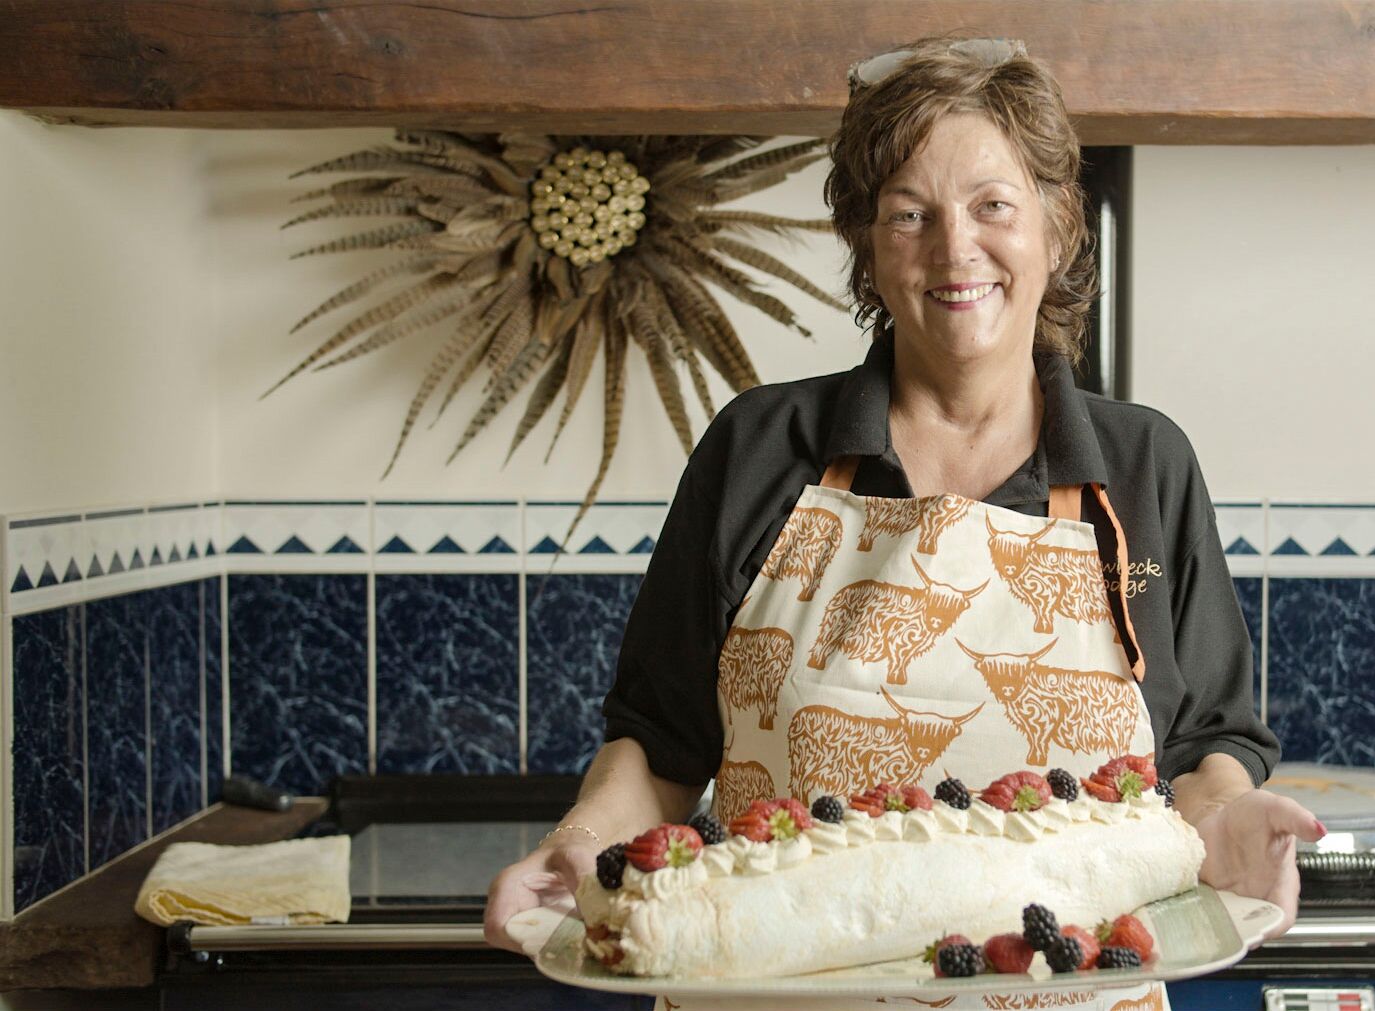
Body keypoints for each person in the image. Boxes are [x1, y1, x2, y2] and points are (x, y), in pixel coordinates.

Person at [484, 36, 1323, 1005]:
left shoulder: (1144, 471)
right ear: (868, 250)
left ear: (1056, 225)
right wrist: (578, 848)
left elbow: (1202, 756)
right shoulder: (758, 452)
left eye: (993, 207)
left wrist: (1224, 825)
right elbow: (659, 752)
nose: (954, 249)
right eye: (909, 214)